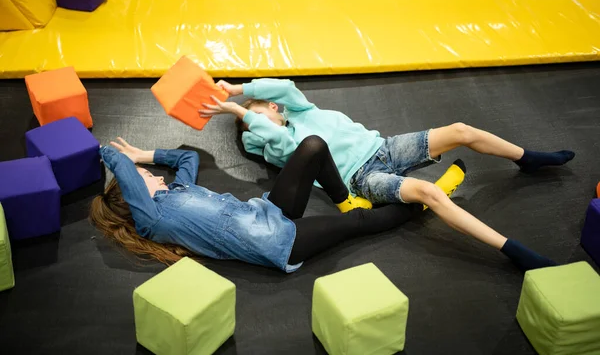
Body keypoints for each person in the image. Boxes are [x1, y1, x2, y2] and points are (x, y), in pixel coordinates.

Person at [199, 78, 570, 270]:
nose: (262, 119)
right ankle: (513, 250)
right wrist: (240, 114)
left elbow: (285, 88)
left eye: (261, 112)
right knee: (430, 194)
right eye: (254, 124)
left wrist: (240, 90)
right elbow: (274, 136)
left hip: (385, 147)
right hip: (363, 179)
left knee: (461, 131)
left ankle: (528, 158)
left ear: (275, 106)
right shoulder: (283, 144)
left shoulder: (300, 108)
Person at [89, 135, 466, 272]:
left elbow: (187, 161)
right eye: (145, 176)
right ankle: (431, 199)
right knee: (360, 227)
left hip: (266, 210)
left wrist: (145, 153)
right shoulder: (151, 219)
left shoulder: (178, 192)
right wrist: (104, 151)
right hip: (276, 242)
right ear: (132, 193)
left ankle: (346, 202)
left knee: (314, 147)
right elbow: (121, 167)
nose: (155, 175)